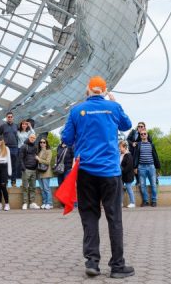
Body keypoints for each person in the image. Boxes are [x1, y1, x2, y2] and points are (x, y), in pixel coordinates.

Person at [61, 75, 134, 278]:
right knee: (114, 218)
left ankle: (92, 262)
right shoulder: (113, 108)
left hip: (85, 172)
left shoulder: (76, 110)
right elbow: (127, 125)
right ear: (104, 90)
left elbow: (66, 138)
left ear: (87, 90)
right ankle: (118, 266)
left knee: (90, 216)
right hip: (110, 171)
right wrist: (114, 102)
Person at [133, 127, 160, 207]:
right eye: (142, 134)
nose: (143, 135)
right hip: (141, 167)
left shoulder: (151, 145)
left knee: (153, 184)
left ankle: (154, 200)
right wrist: (135, 167)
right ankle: (145, 201)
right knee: (142, 185)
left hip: (151, 167)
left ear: (147, 135)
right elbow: (136, 156)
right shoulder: (138, 145)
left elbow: (155, 156)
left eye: (145, 134)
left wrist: (158, 167)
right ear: (140, 136)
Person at [0, 112, 20, 186]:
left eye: (11, 117)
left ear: (13, 118)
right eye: (8, 117)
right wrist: (0, 144)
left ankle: (13, 182)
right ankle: (5, 181)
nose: (9, 118)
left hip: (14, 147)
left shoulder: (16, 126)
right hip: (5, 147)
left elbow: (23, 133)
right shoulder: (3, 126)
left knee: (14, 165)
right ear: (6, 118)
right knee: (5, 165)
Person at [19, 133, 40, 210]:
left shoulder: (35, 147)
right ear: (29, 137)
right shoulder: (24, 146)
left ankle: (32, 203)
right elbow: (20, 158)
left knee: (33, 187)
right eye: (31, 137)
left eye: (34, 138)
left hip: (34, 170)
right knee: (25, 187)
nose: (32, 139)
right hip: (26, 169)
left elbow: (37, 157)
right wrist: (23, 168)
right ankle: (25, 203)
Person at [36, 137, 54, 210]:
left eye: (44, 142)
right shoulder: (39, 151)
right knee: (42, 189)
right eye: (41, 142)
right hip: (40, 172)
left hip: (46, 172)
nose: (42, 144)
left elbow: (47, 162)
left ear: (46, 144)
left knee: (46, 188)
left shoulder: (48, 151)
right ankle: (44, 202)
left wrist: (39, 159)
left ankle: (50, 203)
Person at [119, 141, 135, 208]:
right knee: (121, 189)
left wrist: (122, 171)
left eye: (120, 147)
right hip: (122, 176)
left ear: (125, 147)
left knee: (129, 188)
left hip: (127, 175)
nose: (119, 149)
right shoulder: (121, 155)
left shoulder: (128, 155)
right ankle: (120, 203)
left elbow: (128, 167)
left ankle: (132, 202)